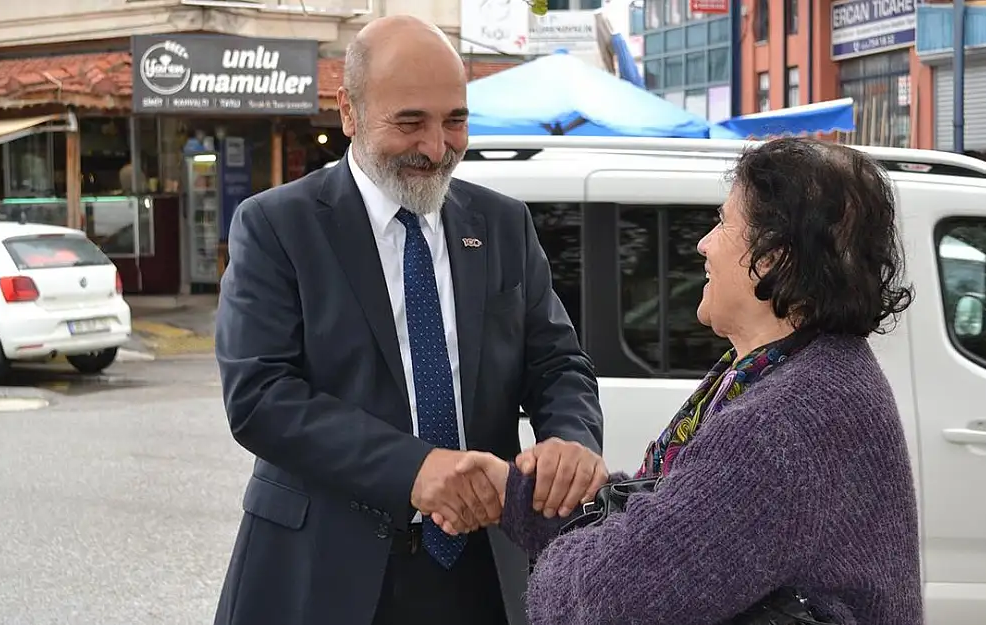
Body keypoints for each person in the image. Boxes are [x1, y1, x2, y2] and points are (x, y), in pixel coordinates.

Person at [212, 16, 607, 625]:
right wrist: (414, 470)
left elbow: (558, 363)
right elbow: (260, 397)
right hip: (322, 575)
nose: (436, 146)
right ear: (348, 111)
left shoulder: (503, 224)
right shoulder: (277, 227)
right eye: (410, 122)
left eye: (455, 119)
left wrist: (570, 442)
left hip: (485, 573)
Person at [444, 138, 924, 624]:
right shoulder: (808, 372)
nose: (703, 243)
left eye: (721, 222)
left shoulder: (779, 426)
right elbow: (667, 516)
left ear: (773, 257)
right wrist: (515, 495)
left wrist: (550, 569)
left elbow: (603, 603)